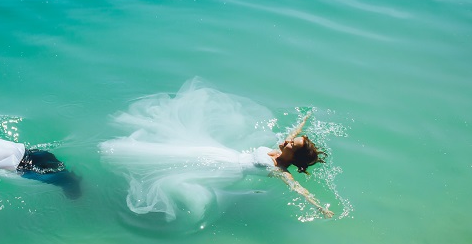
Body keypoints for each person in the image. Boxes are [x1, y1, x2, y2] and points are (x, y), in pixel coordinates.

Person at [99, 78, 334, 221]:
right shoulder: (279, 149)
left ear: (294, 155)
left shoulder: (281, 170)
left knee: (181, 168)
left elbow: (298, 190)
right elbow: (293, 133)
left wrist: (321, 208)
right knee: (178, 153)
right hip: (222, 154)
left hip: (225, 170)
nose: (288, 141)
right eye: (292, 141)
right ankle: (136, 161)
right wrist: (305, 119)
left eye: (293, 145)